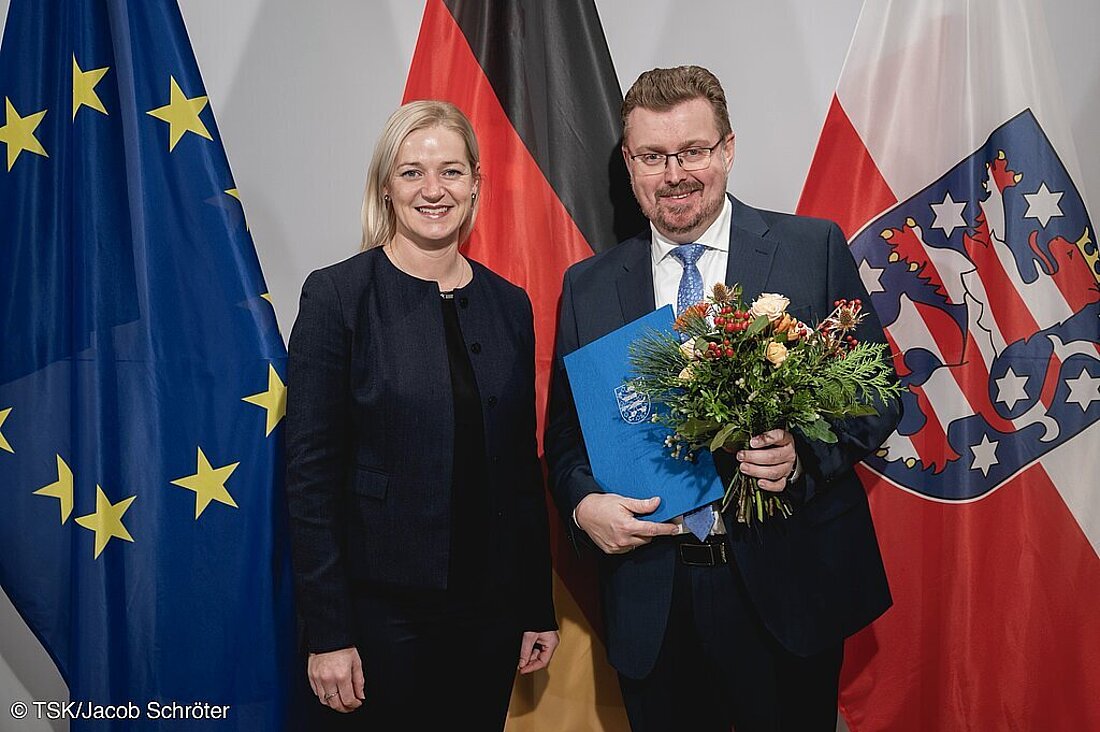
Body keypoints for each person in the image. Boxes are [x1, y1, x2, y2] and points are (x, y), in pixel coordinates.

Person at [545, 65, 900, 731]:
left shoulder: (808, 248)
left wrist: (800, 457)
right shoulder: (588, 286)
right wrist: (582, 503)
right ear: (629, 163)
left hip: (788, 590)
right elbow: (565, 441)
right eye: (653, 155)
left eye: (694, 151)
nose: (674, 173)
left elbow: (879, 397)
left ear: (728, 149)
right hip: (652, 599)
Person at [286, 99, 559, 728]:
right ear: (387, 188)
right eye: (412, 172)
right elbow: (310, 481)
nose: (433, 191)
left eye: (451, 172)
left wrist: (534, 605)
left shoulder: (509, 304)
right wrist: (327, 633)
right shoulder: (336, 297)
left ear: (476, 184)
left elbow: (520, 471)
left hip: (489, 616)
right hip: (380, 621)